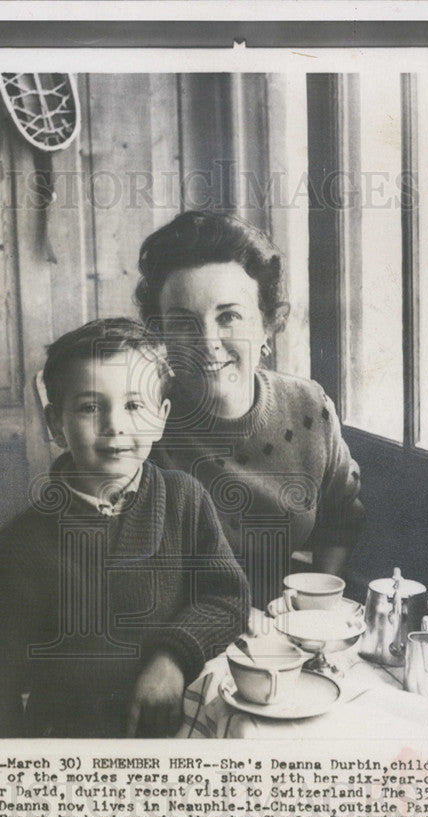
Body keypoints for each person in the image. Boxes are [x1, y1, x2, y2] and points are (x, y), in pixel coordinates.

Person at [0, 318, 249, 738]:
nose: (115, 425)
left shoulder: (185, 499)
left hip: (175, 731)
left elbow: (228, 598)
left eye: (134, 405)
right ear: (56, 425)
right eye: (90, 407)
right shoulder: (21, 544)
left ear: (161, 417)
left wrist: (172, 658)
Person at [137, 210, 365, 610]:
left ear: (266, 325)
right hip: (177, 638)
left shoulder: (309, 408)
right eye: (184, 323)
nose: (208, 342)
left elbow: (341, 520)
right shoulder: (141, 423)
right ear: (162, 335)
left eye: (229, 317)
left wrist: (313, 609)